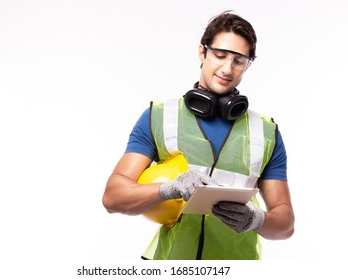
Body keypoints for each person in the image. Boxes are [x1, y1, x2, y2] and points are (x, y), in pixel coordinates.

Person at [102, 10, 295, 260]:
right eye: (220, 55)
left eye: (239, 61)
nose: (227, 68)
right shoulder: (159, 117)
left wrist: (257, 220)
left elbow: (286, 225)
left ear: (247, 65)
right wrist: (169, 189)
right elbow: (113, 197)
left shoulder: (266, 132)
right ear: (202, 52)